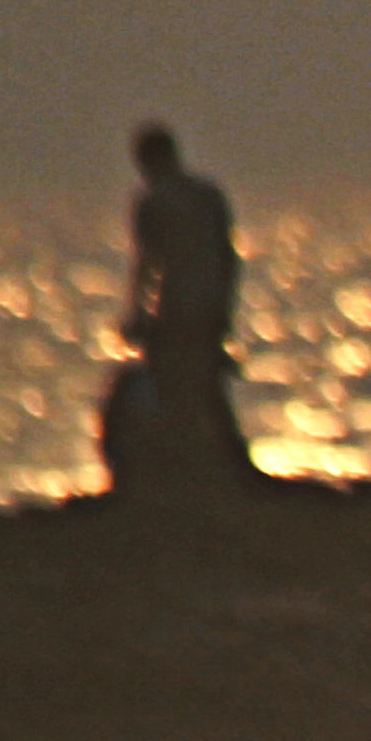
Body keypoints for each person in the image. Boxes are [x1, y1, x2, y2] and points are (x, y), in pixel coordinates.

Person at [117, 122, 249, 490]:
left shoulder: (153, 202)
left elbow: (147, 264)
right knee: (207, 384)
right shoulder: (209, 195)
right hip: (210, 303)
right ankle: (229, 465)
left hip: (178, 306)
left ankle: (195, 470)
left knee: (177, 386)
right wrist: (225, 308)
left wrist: (137, 313)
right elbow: (228, 257)